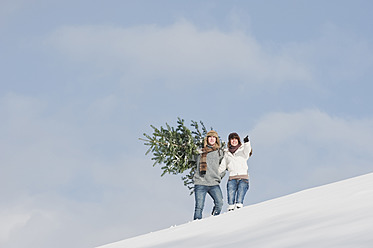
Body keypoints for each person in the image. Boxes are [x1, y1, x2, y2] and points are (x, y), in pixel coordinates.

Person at [193, 130, 225, 220]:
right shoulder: (200, 151)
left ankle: (213, 220)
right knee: (199, 207)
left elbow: (224, 166)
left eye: (214, 137)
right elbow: (189, 158)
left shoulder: (220, 152)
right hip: (200, 182)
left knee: (219, 203)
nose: (212, 139)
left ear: (216, 140)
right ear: (207, 139)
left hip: (214, 183)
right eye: (210, 137)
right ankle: (196, 225)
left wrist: (219, 176)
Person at [219, 132, 252, 211]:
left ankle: (238, 213)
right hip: (232, 179)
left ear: (238, 140)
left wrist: (247, 142)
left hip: (243, 178)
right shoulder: (226, 153)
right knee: (230, 202)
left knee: (239, 202)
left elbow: (248, 150)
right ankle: (231, 214)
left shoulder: (242, 150)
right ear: (229, 141)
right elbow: (223, 166)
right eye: (232, 139)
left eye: (235, 139)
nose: (234, 141)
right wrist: (214, 173)